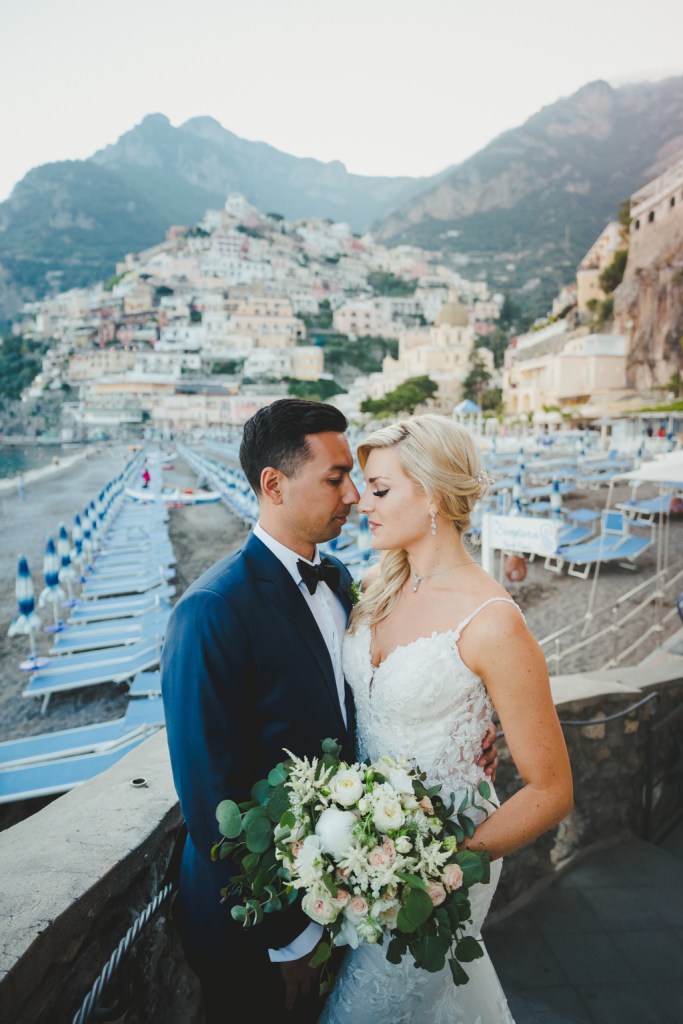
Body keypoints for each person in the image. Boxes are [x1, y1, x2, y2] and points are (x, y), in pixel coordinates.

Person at [160, 399, 499, 1024]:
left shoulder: (349, 582)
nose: (354, 496)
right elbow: (210, 795)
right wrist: (288, 937)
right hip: (256, 927)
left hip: (347, 896)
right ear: (274, 484)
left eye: (358, 479)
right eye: (336, 477)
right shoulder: (211, 610)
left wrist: (471, 726)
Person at [317, 414, 573, 1024]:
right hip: (364, 851)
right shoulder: (374, 585)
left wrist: (448, 868)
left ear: (431, 493)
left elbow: (552, 787)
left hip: (445, 861)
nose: (359, 502)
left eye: (379, 490)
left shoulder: (492, 621)